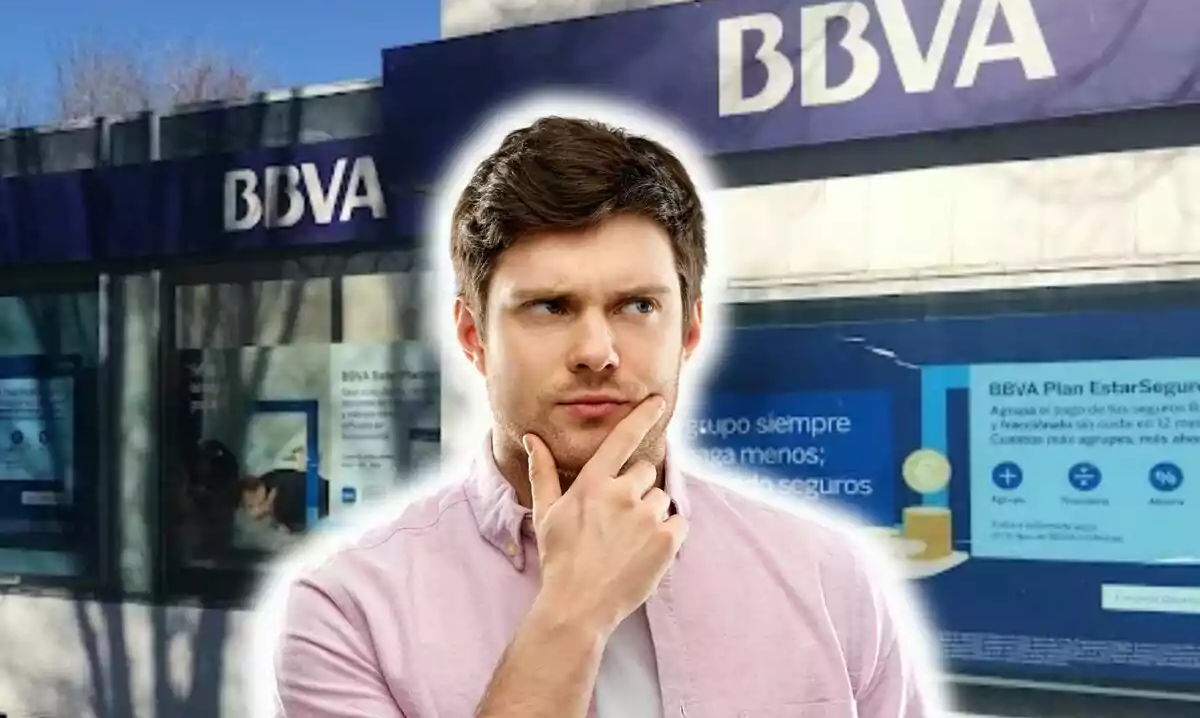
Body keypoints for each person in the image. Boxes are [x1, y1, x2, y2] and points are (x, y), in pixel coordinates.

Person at [265, 115, 945, 717]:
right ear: (473, 337)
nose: (597, 351)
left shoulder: (826, 576)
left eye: (637, 306)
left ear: (690, 332)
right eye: (551, 307)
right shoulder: (347, 613)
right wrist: (572, 612)